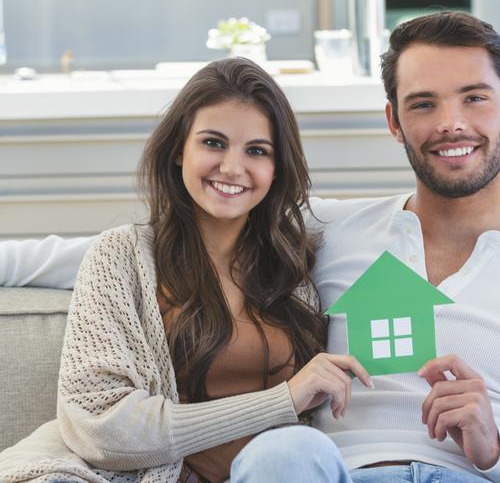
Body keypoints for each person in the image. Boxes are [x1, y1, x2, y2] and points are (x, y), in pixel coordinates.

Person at [2, 11, 500, 483]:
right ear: (394, 121)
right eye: (422, 103)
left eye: (472, 98)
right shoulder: (331, 234)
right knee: (280, 453)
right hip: (331, 473)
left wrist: (498, 447)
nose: (450, 122)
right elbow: (150, 247)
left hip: (485, 476)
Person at [0, 58, 373, 483]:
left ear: (276, 168)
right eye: (213, 143)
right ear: (180, 149)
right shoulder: (122, 257)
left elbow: (390, 219)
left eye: (256, 150)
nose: (232, 167)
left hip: (272, 472)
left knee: (295, 450)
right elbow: (101, 427)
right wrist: (282, 399)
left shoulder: (297, 267)